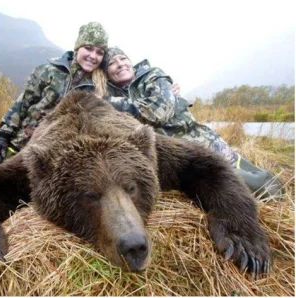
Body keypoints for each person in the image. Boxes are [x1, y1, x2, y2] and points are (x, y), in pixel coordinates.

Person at [102, 47, 283, 200]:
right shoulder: (118, 95)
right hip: (176, 155)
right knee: (219, 183)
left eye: (123, 58)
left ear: (131, 62)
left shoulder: (152, 76)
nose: (120, 64)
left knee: (250, 181)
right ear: (107, 74)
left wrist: (108, 101)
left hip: (197, 139)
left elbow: (159, 111)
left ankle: (279, 190)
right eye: (112, 63)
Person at [0, 22, 109, 179]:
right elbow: (23, 104)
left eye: (99, 52)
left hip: (50, 157)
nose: (93, 56)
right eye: (88, 48)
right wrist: (3, 135)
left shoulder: (96, 88)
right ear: (77, 47)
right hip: (19, 143)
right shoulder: (49, 71)